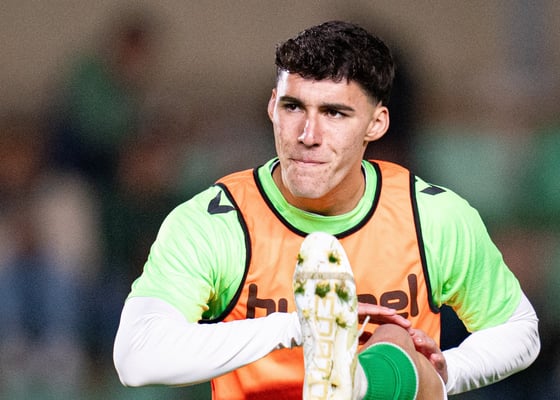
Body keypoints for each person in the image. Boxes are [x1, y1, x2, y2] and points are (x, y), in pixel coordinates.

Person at [113, 21, 540, 399]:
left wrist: (449, 370)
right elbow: (136, 357)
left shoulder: (431, 216)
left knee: (394, 340)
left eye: (334, 113)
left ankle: (359, 383)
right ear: (272, 107)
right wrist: (299, 327)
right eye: (293, 107)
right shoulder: (216, 223)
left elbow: (519, 328)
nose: (308, 134)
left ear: (376, 123)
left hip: (393, 377)